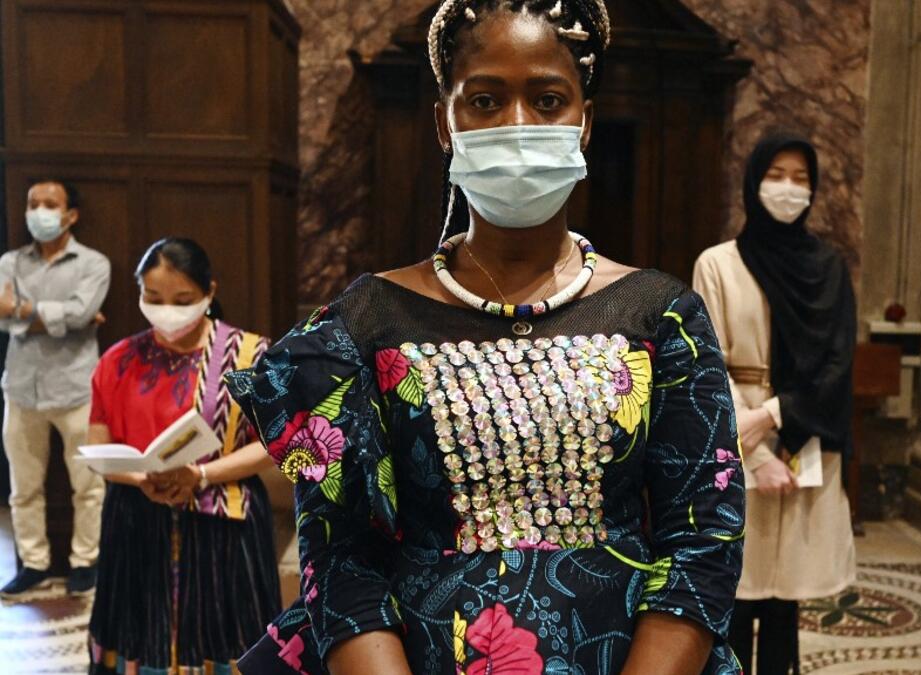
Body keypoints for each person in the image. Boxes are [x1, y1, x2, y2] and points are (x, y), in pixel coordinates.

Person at [230, 1, 744, 674]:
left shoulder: (661, 315)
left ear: (584, 123)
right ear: (446, 121)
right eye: (485, 100)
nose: (518, 125)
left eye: (548, 98)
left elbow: (701, 540)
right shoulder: (360, 326)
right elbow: (340, 560)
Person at [693, 133, 857, 674]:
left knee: (787, 599)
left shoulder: (827, 268)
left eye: (801, 178)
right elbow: (707, 361)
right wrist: (756, 454)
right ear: (753, 180)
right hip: (738, 444)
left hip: (799, 436)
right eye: (777, 174)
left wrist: (772, 419)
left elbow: (836, 361)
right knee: (737, 594)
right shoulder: (718, 264)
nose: (788, 188)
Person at [87, 238, 280, 673]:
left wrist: (200, 475)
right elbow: (98, 444)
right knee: (141, 631)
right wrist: (142, 479)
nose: (166, 311)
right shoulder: (119, 360)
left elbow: (271, 442)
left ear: (209, 292)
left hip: (224, 525)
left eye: (183, 300)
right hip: (137, 518)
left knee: (228, 636)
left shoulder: (252, 356)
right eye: (152, 299)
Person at [0, 179, 110, 599]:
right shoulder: (10, 262)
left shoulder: (93, 263)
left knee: (88, 485)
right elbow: (3, 318)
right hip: (21, 388)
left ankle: (86, 562)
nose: (39, 211)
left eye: (49, 203)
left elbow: (81, 314)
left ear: (70, 215)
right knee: (23, 487)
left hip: (76, 388)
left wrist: (23, 311)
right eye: (32, 203)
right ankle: (34, 564)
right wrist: (62, 317)